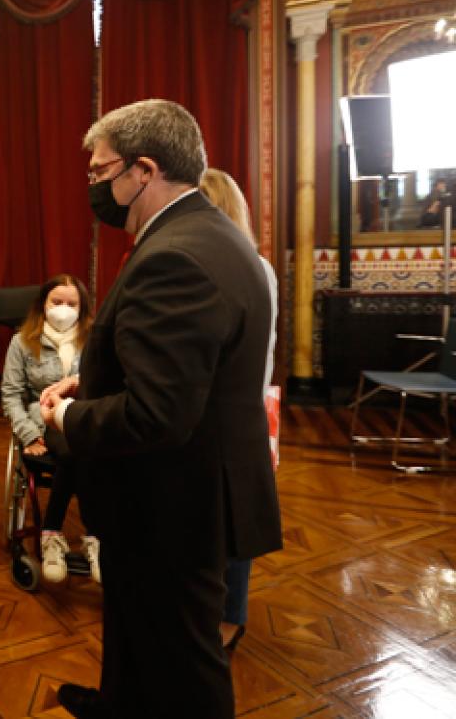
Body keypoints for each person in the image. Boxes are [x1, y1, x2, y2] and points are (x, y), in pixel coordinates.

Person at [39, 100, 283, 718]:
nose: (93, 185)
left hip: (171, 501)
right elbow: (174, 376)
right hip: (181, 491)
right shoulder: (215, 235)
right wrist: (89, 386)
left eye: (99, 172)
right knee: (140, 633)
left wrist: (66, 419)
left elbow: (155, 414)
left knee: (183, 663)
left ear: (142, 171)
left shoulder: (175, 255)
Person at [200, 168, 279, 652]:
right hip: (248, 408)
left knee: (231, 523)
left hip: (229, 413)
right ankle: (226, 616)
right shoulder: (259, 265)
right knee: (233, 519)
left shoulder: (242, 268)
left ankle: (229, 619)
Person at [0, 273, 100, 584]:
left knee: (81, 452)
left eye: (72, 303)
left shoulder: (95, 339)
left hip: (86, 418)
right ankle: (93, 535)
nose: (63, 308)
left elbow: (105, 385)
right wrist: (28, 434)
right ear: (43, 304)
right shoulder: (22, 341)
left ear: (82, 308)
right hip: (43, 418)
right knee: (77, 451)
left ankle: (52, 532)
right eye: (57, 301)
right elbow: (11, 395)